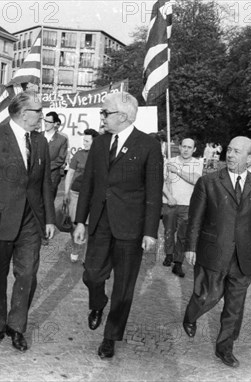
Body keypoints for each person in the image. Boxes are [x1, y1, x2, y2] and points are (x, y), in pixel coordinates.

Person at [72, 91, 163, 359]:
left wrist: (150, 232)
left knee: (123, 286)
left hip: (130, 228)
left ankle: (110, 336)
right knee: (91, 275)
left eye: (105, 113)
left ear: (122, 116)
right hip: (100, 223)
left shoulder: (147, 145)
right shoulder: (100, 144)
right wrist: (80, 221)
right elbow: (88, 183)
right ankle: (98, 303)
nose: (101, 118)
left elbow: (154, 192)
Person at [0, 91, 55, 352]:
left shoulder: (40, 142)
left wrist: (50, 218)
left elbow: (45, 185)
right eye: (39, 111)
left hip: (31, 221)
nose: (43, 115)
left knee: (27, 274)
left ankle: (16, 327)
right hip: (0, 219)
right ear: (23, 113)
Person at [182, 136, 251, 368]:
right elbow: (195, 219)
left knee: (235, 306)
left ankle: (225, 348)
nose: (230, 155)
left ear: (250, 158)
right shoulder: (208, 182)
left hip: (244, 257)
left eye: (237, 152)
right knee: (207, 296)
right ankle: (191, 315)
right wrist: (190, 247)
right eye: (229, 150)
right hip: (213, 252)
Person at [161, 138, 203, 278]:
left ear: (194, 149)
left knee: (183, 235)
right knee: (168, 231)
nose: (186, 149)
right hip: (170, 203)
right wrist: (169, 197)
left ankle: (178, 262)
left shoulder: (197, 163)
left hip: (188, 205)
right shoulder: (169, 161)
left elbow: (195, 180)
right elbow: (161, 182)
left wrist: (177, 170)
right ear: (179, 147)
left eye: (189, 147)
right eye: (183, 146)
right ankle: (168, 255)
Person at [64, 128, 98, 263]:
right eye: (83, 140)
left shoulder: (100, 156)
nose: (84, 143)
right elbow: (70, 174)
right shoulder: (78, 154)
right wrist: (66, 192)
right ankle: (75, 248)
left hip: (92, 195)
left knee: (90, 225)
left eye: (87, 141)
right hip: (76, 193)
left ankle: (87, 255)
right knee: (74, 223)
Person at [43, 111, 68, 201]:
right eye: (45, 121)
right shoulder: (38, 137)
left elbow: (61, 159)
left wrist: (45, 167)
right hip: (37, 176)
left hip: (52, 176)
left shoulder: (62, 139)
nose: (45, 123)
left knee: (48, 202)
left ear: (55, 124)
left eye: (48, 122)